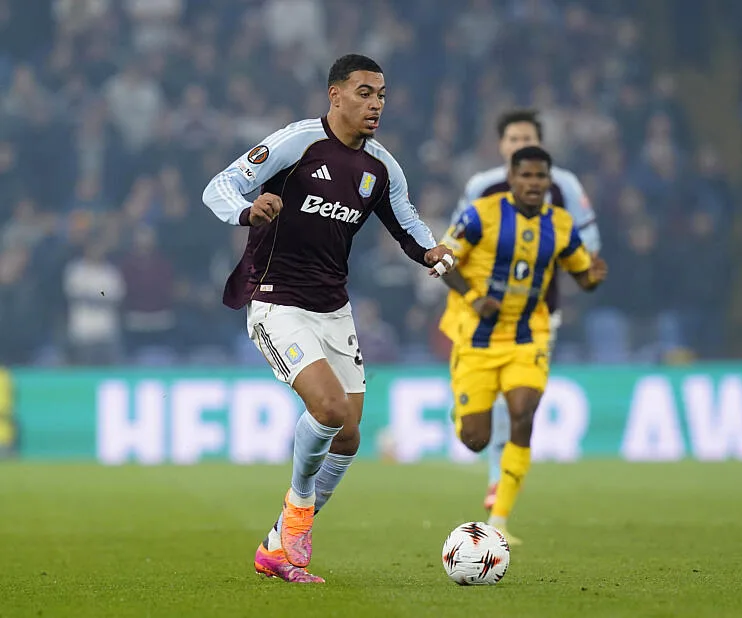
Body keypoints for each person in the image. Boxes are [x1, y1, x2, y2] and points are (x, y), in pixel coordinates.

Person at [202, 54, 455, 584]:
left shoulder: (381, 167)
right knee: (330, 408)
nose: (376, 104)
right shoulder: (297, 143)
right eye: (364, 93)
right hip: (276, 299)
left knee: (349, 437)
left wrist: (431, 251)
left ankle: (277, 546)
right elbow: (219, 186)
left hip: (333, 309)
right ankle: (297, 516)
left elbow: (405, 219)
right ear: (335, 95)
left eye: (381, 95)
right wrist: (248, 211)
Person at [439, 146, 607, 543]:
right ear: (511, 178)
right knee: (475, 439)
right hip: (477, 339)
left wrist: (593, 278)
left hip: (529, 336)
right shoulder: (480, 214)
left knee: (523, 413)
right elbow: (444, 260)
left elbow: (581, 274)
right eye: (526, 176)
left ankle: (499, 520)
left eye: (540, 176)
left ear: (549, 181)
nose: (533, 183)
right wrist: (475, 299)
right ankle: (462, 412)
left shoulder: (561, 224)